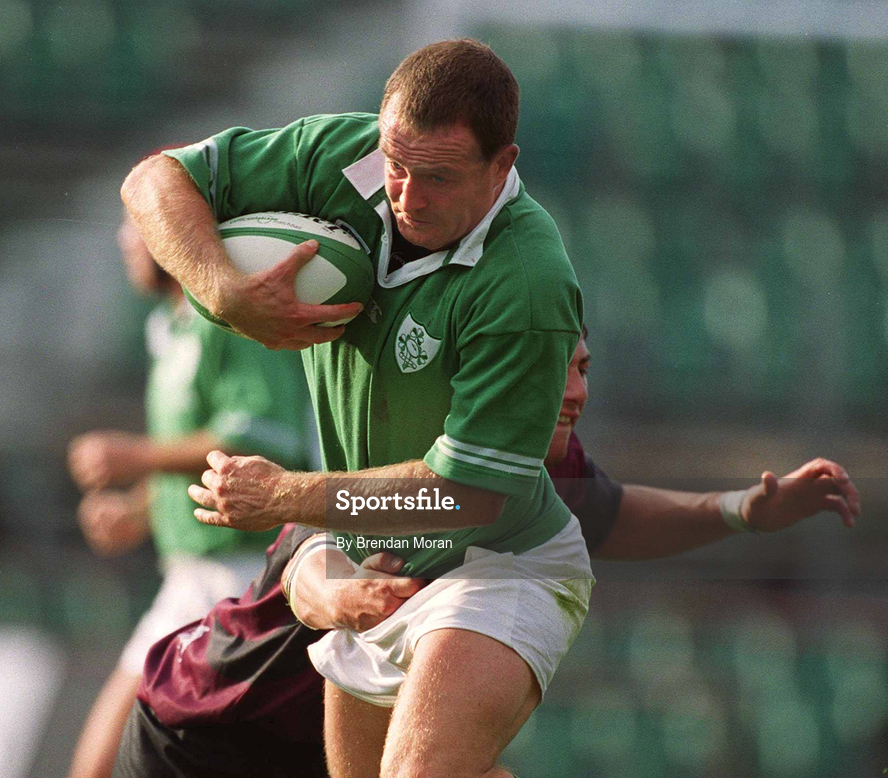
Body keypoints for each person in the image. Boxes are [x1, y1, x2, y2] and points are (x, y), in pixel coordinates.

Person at [122, 39, 589, 778]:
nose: (404, 195)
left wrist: (283, 495)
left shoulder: (526, 278)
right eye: (395, 165)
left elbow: (465, 493)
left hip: (495, 561)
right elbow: (154, 180)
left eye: (436, 177)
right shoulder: (348, 159)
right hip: (369, 555)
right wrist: (223, 291)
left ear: (503, 166)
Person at [111, 327, 860, 777]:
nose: (574, 391)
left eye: (584, 368)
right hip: (203, 737)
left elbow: (617, 513)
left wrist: (743, 510)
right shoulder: (390, 464)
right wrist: (350, 599)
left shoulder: (538, 478)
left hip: (321, 748)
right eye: (553, 370)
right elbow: (312, 568)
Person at [66, 214, 314, 778]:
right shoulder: (171, 327)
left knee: (109, 761)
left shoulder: (230, 320)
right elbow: (202, 461)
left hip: (242, 578)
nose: (123, 239)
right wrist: (142, 509)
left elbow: (260, 436)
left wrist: (134, 457)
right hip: (192, 576)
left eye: (134, 224)